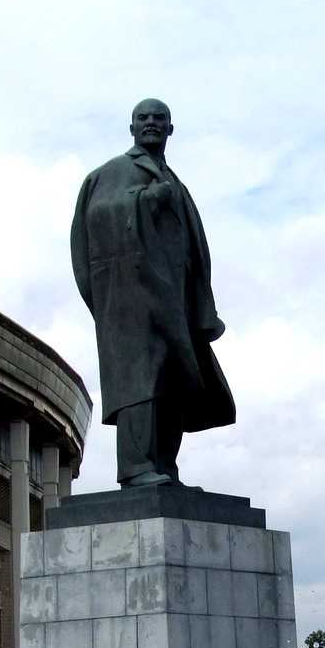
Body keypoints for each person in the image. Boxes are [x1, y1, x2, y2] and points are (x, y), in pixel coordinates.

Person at [70, 98, 234, 487]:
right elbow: (98, 217)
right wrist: (146, 201)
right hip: (134, 299)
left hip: (173, 300)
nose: (151, 123)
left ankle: (164, 466)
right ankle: (136, 467)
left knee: (173, 381)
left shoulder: (173, 178)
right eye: (142, 118)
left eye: (159, 119)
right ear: (131, 128)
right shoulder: (114, 172)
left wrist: (198, 303)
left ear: (171, 129)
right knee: (139, 380)